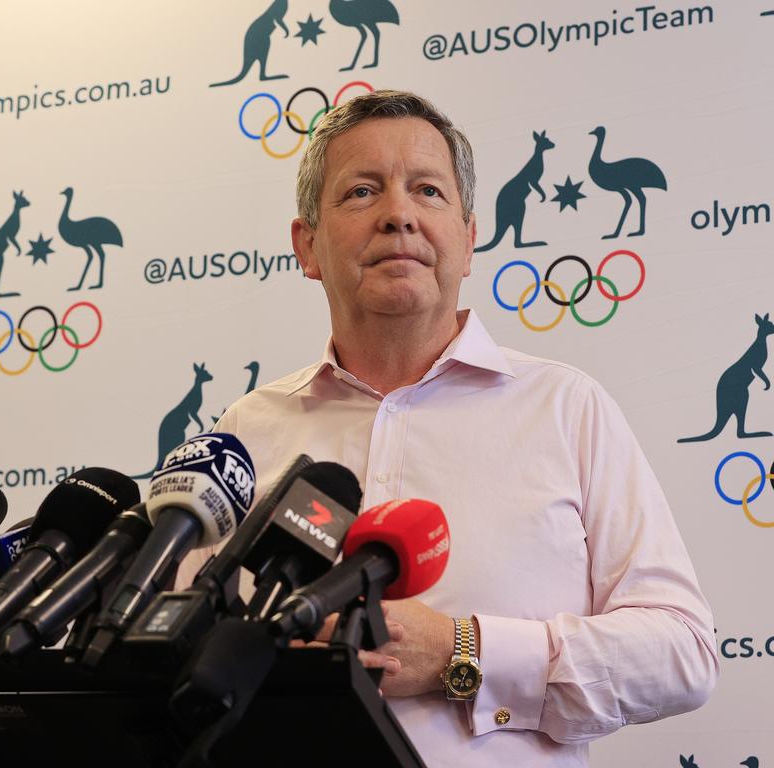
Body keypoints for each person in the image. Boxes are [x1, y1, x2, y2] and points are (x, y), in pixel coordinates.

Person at [176, 90, 717, 767]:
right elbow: (173, 651)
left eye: (427, 191)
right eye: (361, 192)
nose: (398, 215)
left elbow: (682, 654)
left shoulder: (567, 409)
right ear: (306, 246)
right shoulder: (244, 432)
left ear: (468, 237)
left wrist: (465, 652)